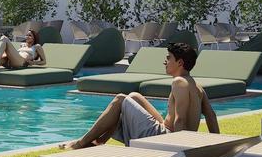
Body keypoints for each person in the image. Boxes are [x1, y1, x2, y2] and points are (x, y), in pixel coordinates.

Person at [61, 42, 220, 149]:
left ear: (180, 63)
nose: (165, 62)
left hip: (167, 138)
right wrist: (218, 145)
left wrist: (178, 150)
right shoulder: (197, 86)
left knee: (121, 99)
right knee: (135, 96)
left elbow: (180, 119)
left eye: (168, 58)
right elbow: (211, 116)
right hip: (170, 132)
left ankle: (82, 142)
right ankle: (99, 141)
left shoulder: (178, 82)